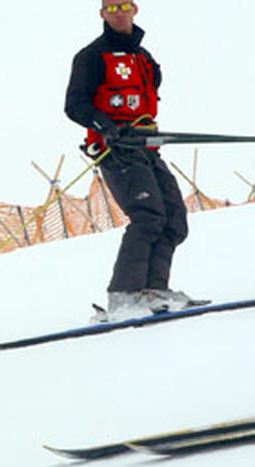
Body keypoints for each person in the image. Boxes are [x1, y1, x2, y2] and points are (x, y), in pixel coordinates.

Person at [64, 1, 205, 320]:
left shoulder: (145, 59)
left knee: (173, 218)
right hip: (115, 148)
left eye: (124, 4)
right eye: (111, 6)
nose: (118, 11)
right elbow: (74, 105)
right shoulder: (91, 57)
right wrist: (107, 126)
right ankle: (124, 295)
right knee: (148, 216)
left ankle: (154, 289)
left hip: (147, 148)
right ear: (102, 14)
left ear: (135, 9)